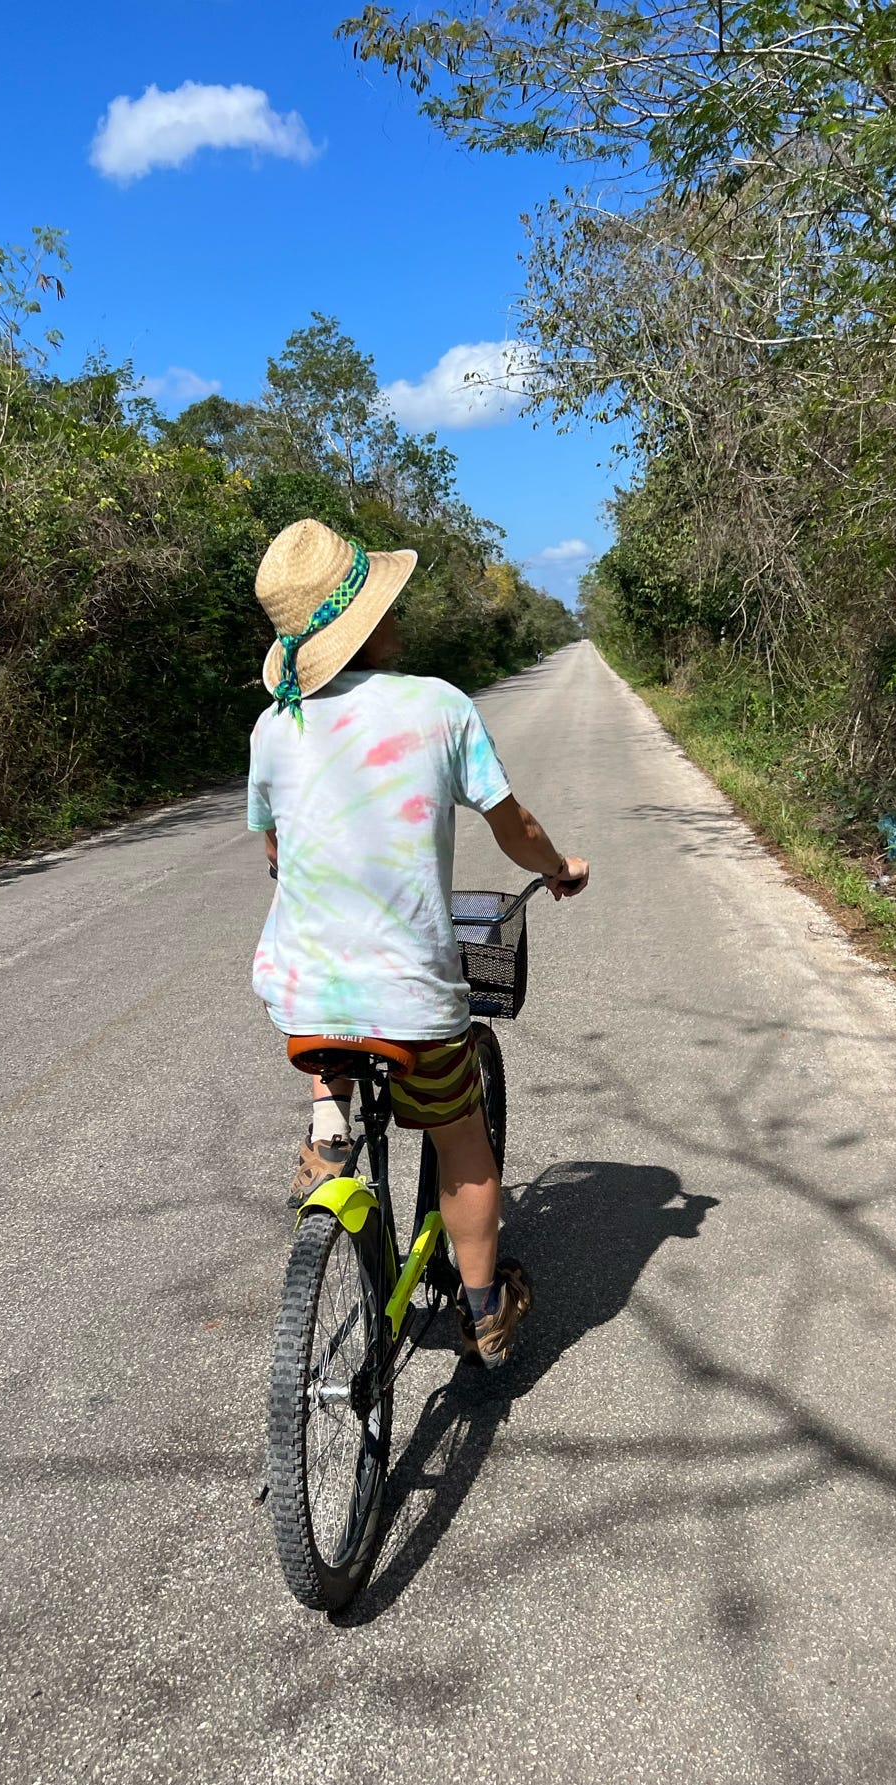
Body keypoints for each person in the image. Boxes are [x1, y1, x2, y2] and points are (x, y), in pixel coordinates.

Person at [246, 518, 589, 1369]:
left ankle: (328, 1127)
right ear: (370, 622)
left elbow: (277, 855)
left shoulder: (273, 726)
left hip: (303, 991)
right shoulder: (438, 705)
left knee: (329, 1011)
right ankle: (483, 1310)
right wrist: (559, 867)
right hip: (412, 1000)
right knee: (460, 1137)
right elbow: (517, 826)